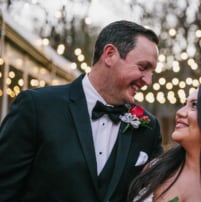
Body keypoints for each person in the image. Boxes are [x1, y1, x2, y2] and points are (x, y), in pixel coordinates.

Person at [0, 20, 163, 202]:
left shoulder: (148, 128)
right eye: (142, 67)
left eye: (152, 72)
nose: (148, 81)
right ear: (110, 55)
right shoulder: (36, 107)